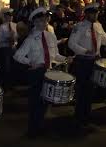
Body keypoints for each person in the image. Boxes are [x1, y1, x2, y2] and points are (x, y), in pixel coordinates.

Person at [13, 7, 68, 138]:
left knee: (45, 101)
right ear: (35, 23)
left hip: (48, 72)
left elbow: (55, 55)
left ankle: (40, 126)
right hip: (36, 72)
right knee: (34, 102)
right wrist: (31, 63)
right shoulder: (30, 39)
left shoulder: (51, 36)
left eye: (46, 20)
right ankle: (32, 129)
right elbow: (17, 55)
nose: (45, 23)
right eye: (41, 21)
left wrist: (66, 59)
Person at [68, 3, 106, 128]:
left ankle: (86, 115)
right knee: (82, 89)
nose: (95, 15)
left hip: (94, 61)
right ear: (87, 13)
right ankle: (79, 116)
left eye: (97, 13)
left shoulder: (98, 26)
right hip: (83, 61)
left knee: (90, 90)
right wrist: (85, 51)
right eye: (93, 13)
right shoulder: (79, 26)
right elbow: (71, 43)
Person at [0, 8, 17, 90]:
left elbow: (17, 37)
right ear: (5, 17)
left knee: (14, 66)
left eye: (11, 16)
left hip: (13, 48)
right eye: (8, 16)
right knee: (6, 67)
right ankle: (6, 85)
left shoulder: (15, 25)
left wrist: (15, 41)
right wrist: (8, 38)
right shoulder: (2, 27)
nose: (10, 18)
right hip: (5, 48)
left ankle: (12, 83)